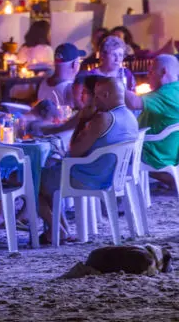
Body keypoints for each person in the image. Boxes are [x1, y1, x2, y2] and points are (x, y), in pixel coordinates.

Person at [38, 76, 138, 244]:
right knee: (49, 177)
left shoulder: (104, 119)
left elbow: (74, 151)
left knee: (32, 180)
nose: (94, 100)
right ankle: (59, 231)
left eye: (97, 96)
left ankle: (58, 230)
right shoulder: (131, 117)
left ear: (106, 95)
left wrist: (83, 120)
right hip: (111, 177)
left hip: (87, 178)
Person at [125, 54, 179, 171]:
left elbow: (134, 103)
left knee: (110, 152)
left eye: (151, 72)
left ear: (164, 71)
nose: (148, 76)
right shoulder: (175, 89)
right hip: (169, 153)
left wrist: (116, 85)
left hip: (153, 154)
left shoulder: (166, 94)